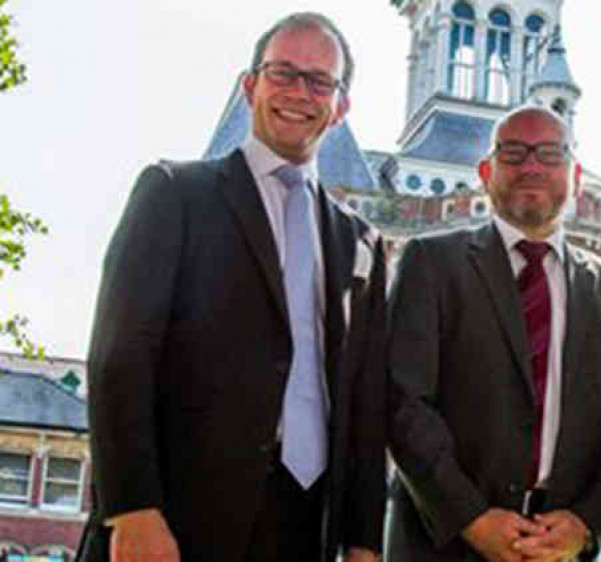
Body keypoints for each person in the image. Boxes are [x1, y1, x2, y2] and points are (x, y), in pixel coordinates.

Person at [77, 12, 386, 562]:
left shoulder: (360, 240)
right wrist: (132, 510)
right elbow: (118, 358)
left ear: (340, 108)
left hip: (305, 527)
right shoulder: (174, 194)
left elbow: (363, 401)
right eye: (283, 72)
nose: (299, 92)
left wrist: (363, 540)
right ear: (250, 86)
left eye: (320, 81)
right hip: (176, 520)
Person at [385, 105, 601, 561]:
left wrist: (587, 523)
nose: (531, 166)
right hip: (443, 544)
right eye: (514, 152)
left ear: (576, 176)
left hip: (560, 549)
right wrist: (471, 518)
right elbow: (403, 403)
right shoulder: (430, 263)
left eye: (550, 153)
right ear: (486, 172)